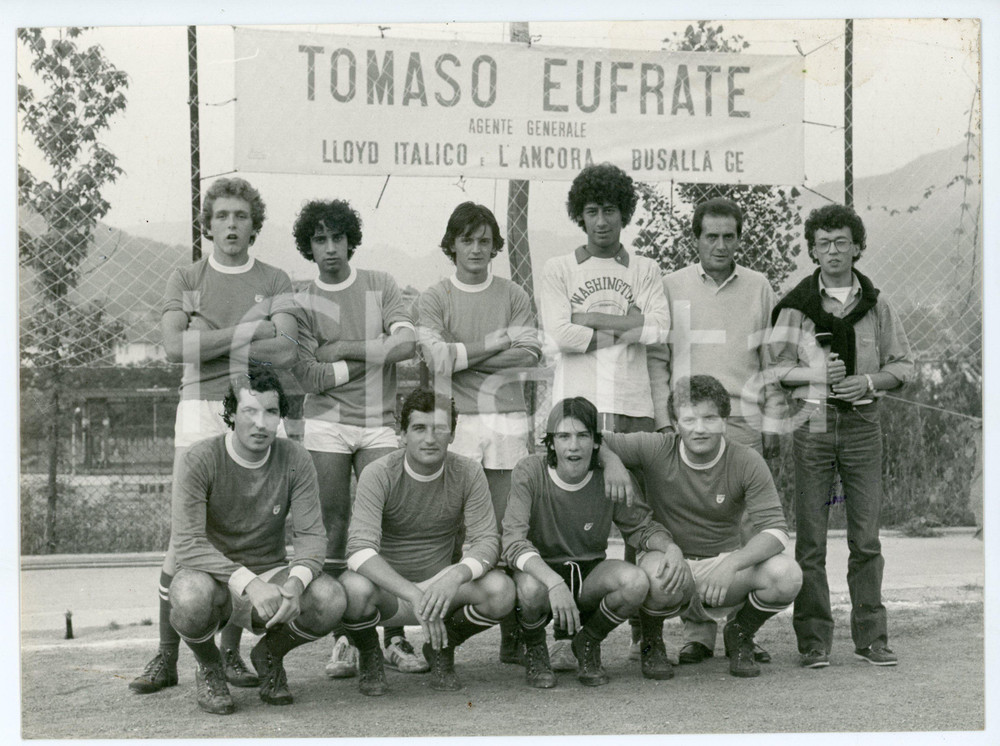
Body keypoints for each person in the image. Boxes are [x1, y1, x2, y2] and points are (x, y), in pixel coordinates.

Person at [131, 177, 299, 695]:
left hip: (259, 406)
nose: (231, 224)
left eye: (241, 216)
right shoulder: (186, 276)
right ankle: (167, 656)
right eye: (221, 215)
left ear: (254, 225)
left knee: (253, 531)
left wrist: (207, 339)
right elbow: (173, 349)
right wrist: (250, 333)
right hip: (201, 408)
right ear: (207, 224)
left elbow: (288, 350)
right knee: (184, 538)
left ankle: (230, 654)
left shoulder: (275, 278)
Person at [768, 204, 912, 669]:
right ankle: (813, 640)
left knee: (866, 537)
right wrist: (814, 373)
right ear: (812, 249)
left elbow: (903, 366)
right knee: (811, 537)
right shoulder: (796, 305)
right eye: (824, 243)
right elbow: (775, 368)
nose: (833, 251)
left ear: (857, 248)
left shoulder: (877, 304)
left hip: (863, 425)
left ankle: (872, 637)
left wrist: (868, 382)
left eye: (842, 243)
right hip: (813, 421)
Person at [539, 162, 670, 663]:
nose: (601, 221)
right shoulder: (559, 269)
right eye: (591, 211)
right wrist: (626, 324)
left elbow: (658, 329)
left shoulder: (645, 270)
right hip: (578, 415)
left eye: (610, 210)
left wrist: (589, 318)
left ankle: (648, 636)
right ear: (580, 215)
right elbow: (558, 335)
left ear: (624, 213)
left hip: (633, 407)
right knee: (570, 524)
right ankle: (566, 636)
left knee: (639, 524)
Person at [290, 199, 424, 676]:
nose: (329, 249)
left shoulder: (380, 284)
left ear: (351, 239)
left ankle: (396, 637)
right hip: (325, 421)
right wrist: (373, 355)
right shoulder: (300, 299)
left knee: (384, 523)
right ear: (308, 246)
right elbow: (307, 375)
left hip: (376, 422)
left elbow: (405, 345)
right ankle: (344, 639)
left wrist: (344, 348)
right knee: (333, 524)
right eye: (319, 240)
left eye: (337, 238)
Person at [651, 197, 785, 666]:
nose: (721, 245)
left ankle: (742, 630)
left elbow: (770, 359)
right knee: (689, 525)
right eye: (712, 236)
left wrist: (771, 417)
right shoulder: (671, 286)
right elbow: (659, 359)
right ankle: (698, 632)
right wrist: (666, 419)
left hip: (743, 419)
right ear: (696, 239)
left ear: (739, 239)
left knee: (745, 526)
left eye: (730, 236)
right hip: (688, 422)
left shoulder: (759, 286)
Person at [599, 375, 802, 678]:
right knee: (653, 574)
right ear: (676, 423)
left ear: (724, 421)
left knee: (787, 574)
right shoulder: (657, 447)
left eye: (709, 418)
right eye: (689, 419)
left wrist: (733, 562)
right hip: (670, 560)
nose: (699, 428)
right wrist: (611, 461)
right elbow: (592, 437)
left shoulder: (746, 459)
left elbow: (775, 531)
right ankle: (652, 642)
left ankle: (740, 633)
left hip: (720, 569)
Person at [168, 366, 345, 714]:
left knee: (330, 597)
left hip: (271, 575)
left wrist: (296, 582)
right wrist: (248, 584)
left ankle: (269, 655)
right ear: (231, 414)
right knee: (189, 596)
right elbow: (187, 542)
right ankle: (210, 666)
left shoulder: (295, 457)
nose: (261, 423)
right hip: (215, 580)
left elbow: (312, 536)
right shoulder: (199, 458)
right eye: (249, 411)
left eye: (271, 411)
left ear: (281, 417)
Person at [417, 201, 541, 663]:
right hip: (456, 420)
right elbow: (436, 359)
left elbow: (528, 357)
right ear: (451, 244)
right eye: (466, 239)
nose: (475, 248)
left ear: (495, 247)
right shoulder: (434, 297)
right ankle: (440, 636)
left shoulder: (513, 294)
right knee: (453, 530)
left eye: (484, 240)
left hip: (506, 418)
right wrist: (496, 341)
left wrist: (462, 355)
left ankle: (515, 634)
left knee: (509, 525)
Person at [502, 397, 691, 688]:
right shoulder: (530, 471)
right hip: (542, 574)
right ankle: (536, 649)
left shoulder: (610, 477)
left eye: (582, 436)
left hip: (589, 572)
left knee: (635, 581)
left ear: (596, 442)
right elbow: (513, 541)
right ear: (551, 443)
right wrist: (553, 583)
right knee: (528, 588)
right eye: (564, 436)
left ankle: (588, 641)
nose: (573, 446)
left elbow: (641, 527)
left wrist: (671, 547)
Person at [337, 389, 516, 695]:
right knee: (351, 589)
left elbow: (487, 541)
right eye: (419, 428)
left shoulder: (468, 471)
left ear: (453, 434)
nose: (430, 439)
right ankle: (370, 655)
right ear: (402, 435)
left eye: (440, 429)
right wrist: (413, 594)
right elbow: (359, 550)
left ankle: (442, 646)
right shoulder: (378, 472)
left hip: (441, 589)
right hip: (391, 591)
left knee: (501, 591)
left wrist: (453, 577)